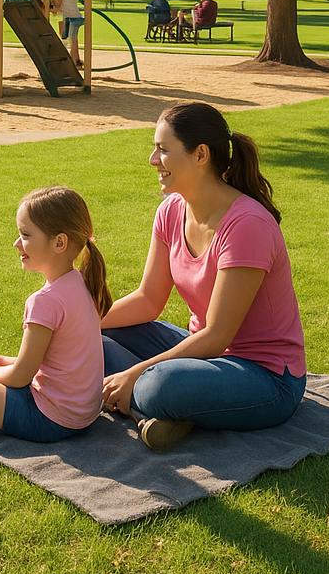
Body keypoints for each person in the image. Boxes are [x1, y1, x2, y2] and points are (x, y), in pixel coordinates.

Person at [101, 102, 306, 451]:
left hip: (265, 377)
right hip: (207, 356)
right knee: (99, 337)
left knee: (157, 385)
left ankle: (152, 400)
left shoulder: (247, 225)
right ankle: (162, 410)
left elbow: (217, 336)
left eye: (163, 150)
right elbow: (148, 300)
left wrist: (135, 373)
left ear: (200, 155)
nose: (153, 160)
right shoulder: (171, 211)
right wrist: (80, 322)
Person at [0, 187, 111, 442]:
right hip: (85, 414)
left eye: (25, 235)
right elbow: (50, 362)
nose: (16, 243)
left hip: (52, 420)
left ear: (59, 242)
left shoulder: (44, 302)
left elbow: (21, 377)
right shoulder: (84, 283)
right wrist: (2, 362)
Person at [49, 0, 85, 67]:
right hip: (76, 17)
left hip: (71, 18)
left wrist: (50, 9)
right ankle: (76, 60)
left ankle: (71, 61)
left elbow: (58, 3)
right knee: (73, 39)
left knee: (68, 39)